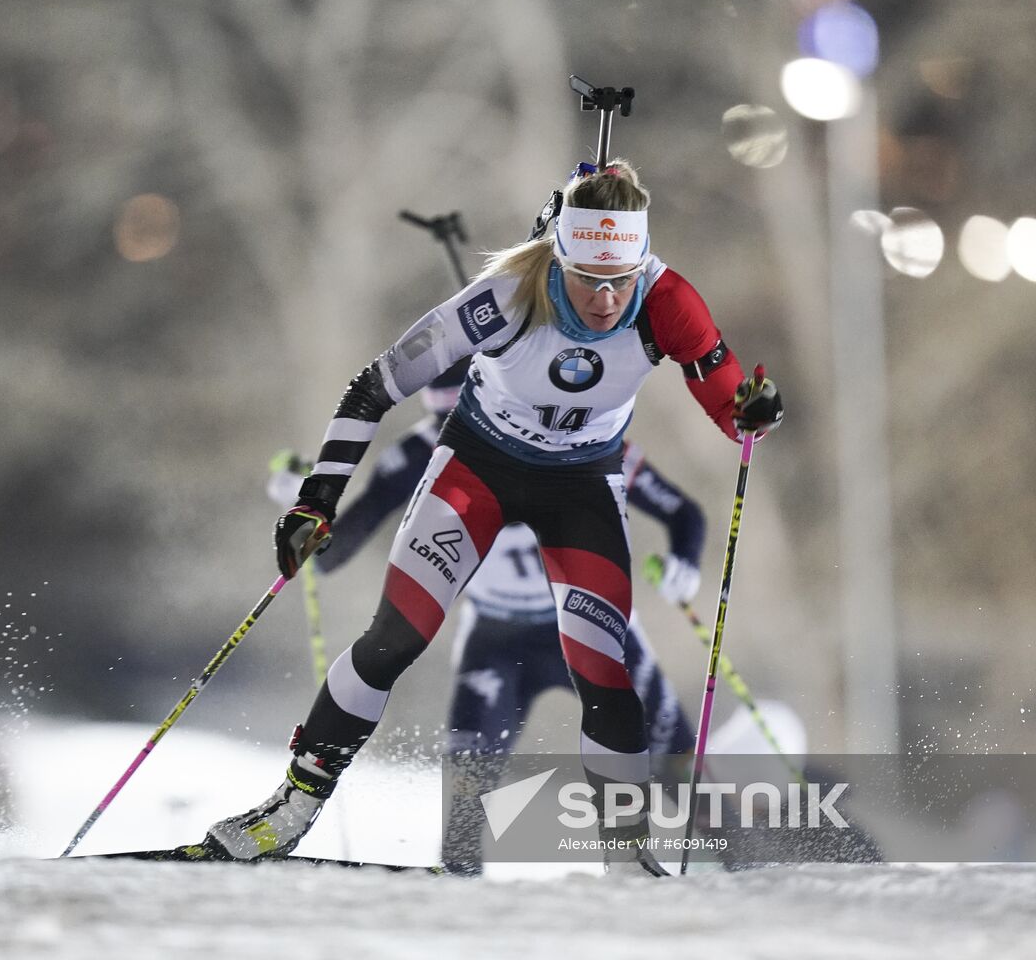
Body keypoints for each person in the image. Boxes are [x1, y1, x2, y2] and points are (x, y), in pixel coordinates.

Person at [205, 160, 783, 875]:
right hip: (481, 470)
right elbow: (373, 389)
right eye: (587, 279)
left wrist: (752, 411)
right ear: (557, 256)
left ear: (642, 263)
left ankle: (627, 860)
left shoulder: (669, 300)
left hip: (581, 483)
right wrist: (314, 500)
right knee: (394, 638)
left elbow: (734, 412)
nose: (605, 301)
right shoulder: (508, 294)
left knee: (607, 671)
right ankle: (288, 811)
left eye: (621, 279)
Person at [266, 357, 709, 873]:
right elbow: (335, 555)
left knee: (679, 762)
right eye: (446, 423)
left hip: (585, 624)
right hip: (496, 640)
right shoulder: (421, 453)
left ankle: (746, 865)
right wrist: (303, 504)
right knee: (462, 821)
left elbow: (683, 512)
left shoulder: (574, 434)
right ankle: (460, 923)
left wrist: (684, 563)